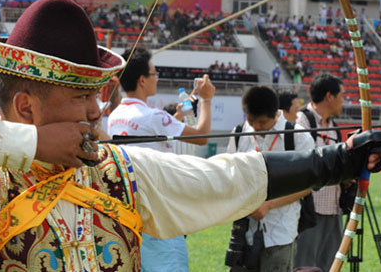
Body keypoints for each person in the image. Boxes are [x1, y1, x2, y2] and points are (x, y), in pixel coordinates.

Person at [0, 0, 381, 271]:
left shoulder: (117, 173)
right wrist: (31, 145)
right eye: (80, 97)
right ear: (26, 107)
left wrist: (335, 162)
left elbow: (226, 179)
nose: (96, 109)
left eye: (95, 95)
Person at [107, 46, 215, 272]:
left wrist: (174, 118)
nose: (157, 78)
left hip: (130, 215)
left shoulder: (116, 115)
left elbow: (146, 135)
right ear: (142, 80)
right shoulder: (154, 117)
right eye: (154, 74)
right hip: (160, 216)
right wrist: (206, 100)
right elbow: (202, 136)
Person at [227, 86, 314, 272]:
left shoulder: (298, 136)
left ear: (276, 113)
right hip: (244, 232)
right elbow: (230, 175)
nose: (256, 127)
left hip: (281, 232)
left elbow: (308, 185)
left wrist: (269, 205)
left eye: (262, 122)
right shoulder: (239, 133)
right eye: (251, 121)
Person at [294, 73, 346, 272]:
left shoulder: (333, 126)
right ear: (329, 97)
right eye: (341, 95)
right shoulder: (303, 121)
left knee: (331, 266)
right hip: (310, 209)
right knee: (306, 265)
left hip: (333, 208)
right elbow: (304, 161)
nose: (343, 100)